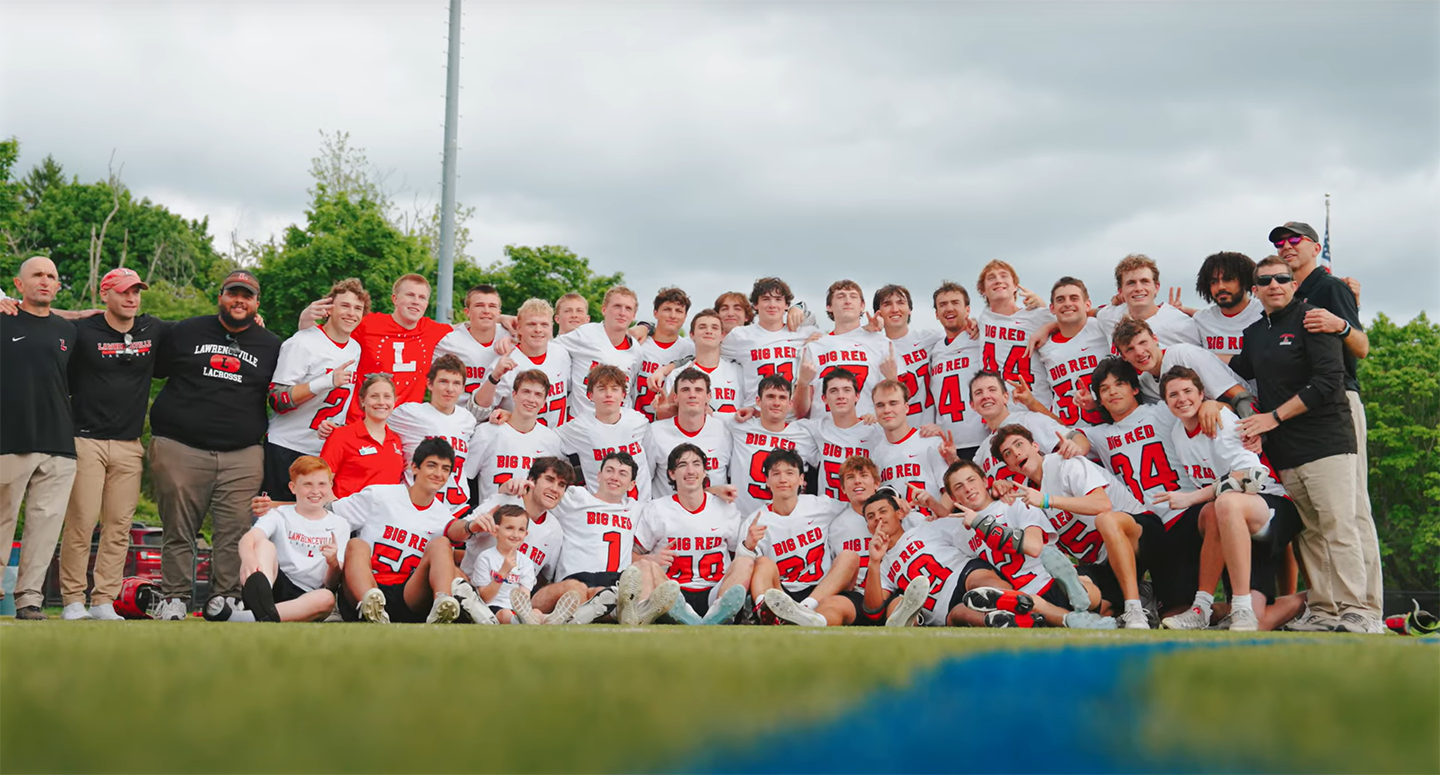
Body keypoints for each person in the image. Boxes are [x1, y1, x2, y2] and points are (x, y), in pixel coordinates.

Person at [1231, 256, 1376, 634]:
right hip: (1287, 450)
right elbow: (1235, 367)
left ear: (1294, 284)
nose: (1275, 284)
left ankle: (1361, 610)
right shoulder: (1254, 333)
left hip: (1327, 441)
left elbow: (1328, 381)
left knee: (1339, 527)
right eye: (1266, 280)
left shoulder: (1315, 318)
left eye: (1282, 278)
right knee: (1310, 533)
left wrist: (1273, 418)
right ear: (1255, 290)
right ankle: (1325, 610)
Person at [149, 268, 281, 621]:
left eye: (247, 295)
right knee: (178, 528)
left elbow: (284, 395)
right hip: (181, 446)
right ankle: (175, 598)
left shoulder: (273, 345)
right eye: (232, 293)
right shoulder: (184, 331)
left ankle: (225, 600)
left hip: (242, 453)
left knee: (236, 531)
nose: (239, 300)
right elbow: (146, 366)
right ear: (220, 297)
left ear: (256, 303)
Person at [1270, 220, 1383, 630]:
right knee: (1311, 522)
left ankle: (1365, 610)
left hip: (1337, 403)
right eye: (1280, 242)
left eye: (1293, 240)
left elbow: (1363, 346)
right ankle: (1326, 609)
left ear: (1315, 247)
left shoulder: (1331, 287)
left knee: (1350, 513)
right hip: (1297, 413)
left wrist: (1342, 326)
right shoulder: (1282, 296)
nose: (1286, 247)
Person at [1151, 367, 1305, 632]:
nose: (1182, 399)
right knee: (1213, 509)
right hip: (1234, 524)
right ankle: (1203, 608)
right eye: (1173, 394)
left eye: (1188, 391)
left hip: (1271, 506)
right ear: (1166, 402)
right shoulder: (1178, 433)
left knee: (1223, 502)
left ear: (1202, 394)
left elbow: (1251, 477)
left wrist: (1190, 498)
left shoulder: (1219, 416)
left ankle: (1245, 607)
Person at [57, 267, 164, 621]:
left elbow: (205, 328)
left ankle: (104, 600)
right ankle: (73, 600)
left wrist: (252, 321)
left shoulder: (152, 328)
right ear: (106, 294)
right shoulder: (83, 330)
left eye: (136, 292)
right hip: (85, 439)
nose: (131, 298)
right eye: (123, 292)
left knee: (119, 527)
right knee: (82, 522)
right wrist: (73, 313)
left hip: (129, 445)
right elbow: (38, 314)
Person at [1076, 357, 1220, 619]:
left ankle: (1243, 602)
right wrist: (1076, 442)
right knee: (1172, 614)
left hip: (1185, 511)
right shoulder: (1100, 434)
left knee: (1215, 514)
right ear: (1099, 399)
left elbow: (1198, 404)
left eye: (1119, 384)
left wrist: (1210, 403)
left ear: (1133, 388)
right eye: (1105, 389)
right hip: (1151, 527)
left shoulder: (1160, 412)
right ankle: (1147, 597)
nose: (1113, 391)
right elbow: (1076, 436)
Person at [989, 423, 1151, 627]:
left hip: (1140, 534)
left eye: (1019, 444)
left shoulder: (1062, 463)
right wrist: (997, 489)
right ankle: (1125, 607)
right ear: (1010, 467)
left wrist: (1048, 500)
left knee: (1105, 519)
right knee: (1072, 586)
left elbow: (1102, 504)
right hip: (1104, 562)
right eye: (1008, 453)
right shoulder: (1027, 495)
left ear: (1035, 446)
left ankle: (1134, 608)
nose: (1016, 453)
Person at [938, 460, 1115, 629]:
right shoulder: (960, 535)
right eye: (959, 487)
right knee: (1031, 602)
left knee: (1086, 589)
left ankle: (1074, 600)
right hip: (1025, 595)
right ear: (954, 498)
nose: (968, 488)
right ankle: (1076, 617)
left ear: (985, 481)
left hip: (1049, 576)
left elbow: (1034, 546)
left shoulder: (1014, 503)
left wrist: (982, 525)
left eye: (971, 480)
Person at [324, 438, 480, 624]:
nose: (438, 473)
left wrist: (472, 525)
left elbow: (454, 529)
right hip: (367, 584)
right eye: (432, 465)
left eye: (445, 469)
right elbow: (328, 514)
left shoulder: (442, 514)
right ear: (414, 468)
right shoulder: (379, 495)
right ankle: (370, 603)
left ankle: (442, 602)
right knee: (356, 544)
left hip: (409, 594)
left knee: (441, 544)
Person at [0, 256, 79, 620]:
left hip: (59, 443)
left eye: (51, 276)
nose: (44, 281)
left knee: (45, 526)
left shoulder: (67, 331)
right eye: (36, 275)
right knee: (2, 520)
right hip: (10, 438)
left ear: (58, 286)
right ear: (18, 285)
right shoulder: (3, 319)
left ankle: (29, 599)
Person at [301, 274, 452, 423]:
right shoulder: (368, 324)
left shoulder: (433, 330)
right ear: (395, 299)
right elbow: (324, 339)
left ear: (427, 303)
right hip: (361, 421)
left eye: (422, 297)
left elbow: (468, 329)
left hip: (404, 426)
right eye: (410, 295)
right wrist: (305, 320)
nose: (416, 302)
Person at [262, 278, 366, 496]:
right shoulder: (302, 342)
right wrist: (325, 382)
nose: (351, 313)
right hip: (288, 446)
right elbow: (278, 400)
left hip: (322, 453)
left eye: (358, 308)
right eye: (345, 306)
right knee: (275, 519)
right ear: (328, 309)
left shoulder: (355, 348)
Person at [634, 444, 753, 624]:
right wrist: (653, 559)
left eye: (696, 464)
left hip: (714, 591)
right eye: (682, 465)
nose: (690, 470)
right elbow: (631, 556)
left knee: (746, 561)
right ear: (672, 474)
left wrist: (750, 543)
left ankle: (718, 614)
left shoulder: (725, 508)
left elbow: (737, 555)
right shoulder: (657, 509)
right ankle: (683, 613)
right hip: (673, 591)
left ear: (705, 471)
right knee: (644, 566)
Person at [741, 449, 861, 627]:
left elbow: (859, 504)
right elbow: (742, 569)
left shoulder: (821, 505)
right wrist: (748, 547)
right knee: (762, 563)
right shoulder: (755, 521)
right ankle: (763, 610)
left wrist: (892, 499)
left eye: (790, 473)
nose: (783, 479)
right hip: (782, 593)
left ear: (801, 480)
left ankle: (805, 609)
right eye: (776, 474)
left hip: (820, 589)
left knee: (850, 556)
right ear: (766, 481)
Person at [237, 456, 349, 623]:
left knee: (326, 598)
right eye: (307, 485)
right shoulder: (279, 514)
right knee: (263, 545)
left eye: (321, 484)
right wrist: (248, 559)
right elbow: (249, 538)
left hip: (307, 596)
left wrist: (333, 562)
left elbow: (331, 583)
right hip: (275, 585)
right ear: (293, 487)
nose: (315, 491)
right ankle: (261, 600)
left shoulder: (340, 524)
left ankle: (243, 617)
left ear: (330, 486)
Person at [386, 354, 477, 515]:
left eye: (456, 383)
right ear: (430, 383)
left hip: (455, 509)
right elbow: (373, 423)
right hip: (414, 506)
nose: (449, 389)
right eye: (443, 381)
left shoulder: (468, 419)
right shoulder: (409, 413)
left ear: (463, 388)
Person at [968, 370, 1089, 485]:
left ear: (1005, 397)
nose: (986, 396)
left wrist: (1077, 449)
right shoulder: (981, 453)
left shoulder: (1029, 420)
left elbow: (1077, 437)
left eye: (992, 390)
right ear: (972, 405)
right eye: (978, 393)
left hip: (1051, 500)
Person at [725, 374, 820, 515]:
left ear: (790, 404)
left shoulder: (804, 434)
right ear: (758, 401)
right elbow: (705, 413)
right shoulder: (739, 424)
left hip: (785, 519)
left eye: (782, 398)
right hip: (743, 517)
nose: (776, 402)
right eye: (770, 396)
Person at [720, 277, 820, 408]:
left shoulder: (803, 332)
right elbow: (712, 356)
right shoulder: (740, 336)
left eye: (778, 299)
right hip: (755, 413)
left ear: (786, 305)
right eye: (766, 299)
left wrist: (798, 308)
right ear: (755, 304)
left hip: (793, 414)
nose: (772, 305)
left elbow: (813, 319)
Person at [557, 364, 654, 500]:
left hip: (641, 508)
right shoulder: (580, 427)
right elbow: (548, 442)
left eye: (614, 389)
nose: (608, 394)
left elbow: (653, 458)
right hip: (601, 510)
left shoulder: (638, 421)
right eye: (601, 389)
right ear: (590, 395)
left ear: (623, 394)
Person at [1112, 317, 1253, 409]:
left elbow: (1242, 397)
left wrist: (1214, 408)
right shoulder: (1145, 384)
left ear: (1155, 339)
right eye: (1130, 349)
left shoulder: (1185, 355)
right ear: (1124, 356)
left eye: (1143, 342)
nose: (1139, 352)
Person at [465, 369, 564, 500]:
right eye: (526, 392)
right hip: (492, 515)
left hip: (531, 518)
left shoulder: (552, 441)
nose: (531, 399)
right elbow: (465, 479)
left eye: (538, 395)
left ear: (545, 401)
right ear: (514, 395)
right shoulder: (486, 432)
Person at [796, 280, 889, 418]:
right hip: (823, 434)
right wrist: (802, 384)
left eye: (853, 296)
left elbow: (894, 396)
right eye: (840, 296)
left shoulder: (880, 342)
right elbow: (800, 412)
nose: (847, 301)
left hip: (868, 431)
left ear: (862, 305)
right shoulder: (814, 347)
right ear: (829, 306)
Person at [1031, 277, 1110, 427]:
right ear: (1052, 308)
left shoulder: (1101, 327)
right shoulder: (1043, 346)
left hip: (1109, 426)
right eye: (1060, 300)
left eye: (1074, 298)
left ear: (1087, 304)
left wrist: (1049, 326)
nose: (1067, 304)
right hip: (1071, 433)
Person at [975, 260, 1054, 407]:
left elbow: (1078, 319)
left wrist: (1049, 326)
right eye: (991, 278)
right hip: (999, 412)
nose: (998, 280)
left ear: (1015, 286)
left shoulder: (1037, 316)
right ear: (983, 290)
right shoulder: (983, 319)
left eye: (1004, 275)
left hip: (1035, 407)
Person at [482, 298, 571, 428]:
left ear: (552, 328)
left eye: (544, 325)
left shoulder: (562, 354)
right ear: (519, 328)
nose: (538, 330)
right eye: (531, 324)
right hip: (518, 441)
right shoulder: (504, 363)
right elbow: (480, 413)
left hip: (556, 442)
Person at [870, 379, 952, 518]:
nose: (887, 410)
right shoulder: (876, 455)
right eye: (880, 405)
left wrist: (939, 517)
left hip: (931, 528)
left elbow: (950, 490)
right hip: (899, 534)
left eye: (893, 403)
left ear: (906, 407)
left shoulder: (930, 442)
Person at [555, 286, 641, 418]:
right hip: (581, 424)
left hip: (618, 424)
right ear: (604, 309)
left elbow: (631, 391)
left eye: (628, 308)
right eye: (617, 306)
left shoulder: (637, 350)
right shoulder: (585, 334)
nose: (622, 313)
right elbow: (546, 347)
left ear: (634, 315)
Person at [797, 367, 881, 503]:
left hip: (865, 512)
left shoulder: (875, 430)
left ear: (857, 396)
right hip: (827, 513)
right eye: (833, 391)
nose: (840, 396)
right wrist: (754, 411)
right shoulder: (817, 429)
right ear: (824, 398)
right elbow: (777, 426)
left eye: (847, 390)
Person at [319, 373, 406, 498]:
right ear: (363, 401)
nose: (381, 402)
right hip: (348, 515)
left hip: (385, 515)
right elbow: (321, 482)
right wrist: (337, 508)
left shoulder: (396, 440)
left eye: (387, 396)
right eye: (374, 396)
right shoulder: (342, 435)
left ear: (394, 401)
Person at [648, 368, 732, 497]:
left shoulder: (723, 430)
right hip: (668, 513)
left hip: (715, 513)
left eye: (698, 390)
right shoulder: (655, 432)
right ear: (675, 397)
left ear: (708, 397)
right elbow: (644, 479)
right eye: (685, 390)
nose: (692, 395)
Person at [927, 282, 986, 458]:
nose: (949, 308)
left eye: (955, 302)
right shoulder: (934, 348)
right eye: (943, 305)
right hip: (948, 443)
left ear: (967, 309)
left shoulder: (980, 337)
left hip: (983, 438)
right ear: (936, 314)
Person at [1096, 253, 1202, 347]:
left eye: (1144, 281)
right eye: (1131, 283)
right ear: (1120, 291)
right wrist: (1114, 301)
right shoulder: (1108, 317)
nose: (1138, 288)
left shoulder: (1179, 323)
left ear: (1156, 287)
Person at [652, 309, 743, 417]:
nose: (708, 331)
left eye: (714, 327)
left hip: (731, 433)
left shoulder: (738, 371)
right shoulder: (678, 374)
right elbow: (666, 417)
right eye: (702, 327)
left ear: (722, 335)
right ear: (692, 334)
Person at [471, 505, 551, 624]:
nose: (515, 534)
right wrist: (503, 571)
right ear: (495, 531)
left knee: (536, 612)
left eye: (521, 530)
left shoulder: (526, 562)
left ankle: (549, 619)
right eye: (509, 528)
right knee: (505, 614)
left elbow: (524, 598)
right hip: (492, 608)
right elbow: (485, 598)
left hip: (517, 609)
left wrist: (526, 612)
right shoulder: (485, 558)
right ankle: (522, 622)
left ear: (526, 534)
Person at [873, 284, 941, 423]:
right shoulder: (873, 349)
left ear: (909, 309)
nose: (895, 309)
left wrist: (973, 324)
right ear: (878, 312)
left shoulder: (930, 338)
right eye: (887, 304)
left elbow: (958, 334)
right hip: (893, 432)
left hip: (928, 431)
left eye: (900, 303)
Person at [630, 287, 694, 420]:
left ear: (685, 316)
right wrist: (644, 326)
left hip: (668, 426)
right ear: (655, 313)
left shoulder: (690, 349)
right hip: (634, 421)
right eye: (667, 309)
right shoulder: (639, 342)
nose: (673, 315)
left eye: (679, 311)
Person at [434, 283, 510, 395]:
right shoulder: (449, 342)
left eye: (492, 306)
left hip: (501, 411)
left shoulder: (511, 335)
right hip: (460, 410)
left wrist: (513, 338)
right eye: (479, 305)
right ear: (467, 312)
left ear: (499, 312)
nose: (486, 310)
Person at [1191, 251, 1263, 364]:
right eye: (1214, 281)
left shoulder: (1264, 313)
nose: (1220, 287)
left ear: (1244, 281)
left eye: (1228, 279)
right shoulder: (1201, 320)